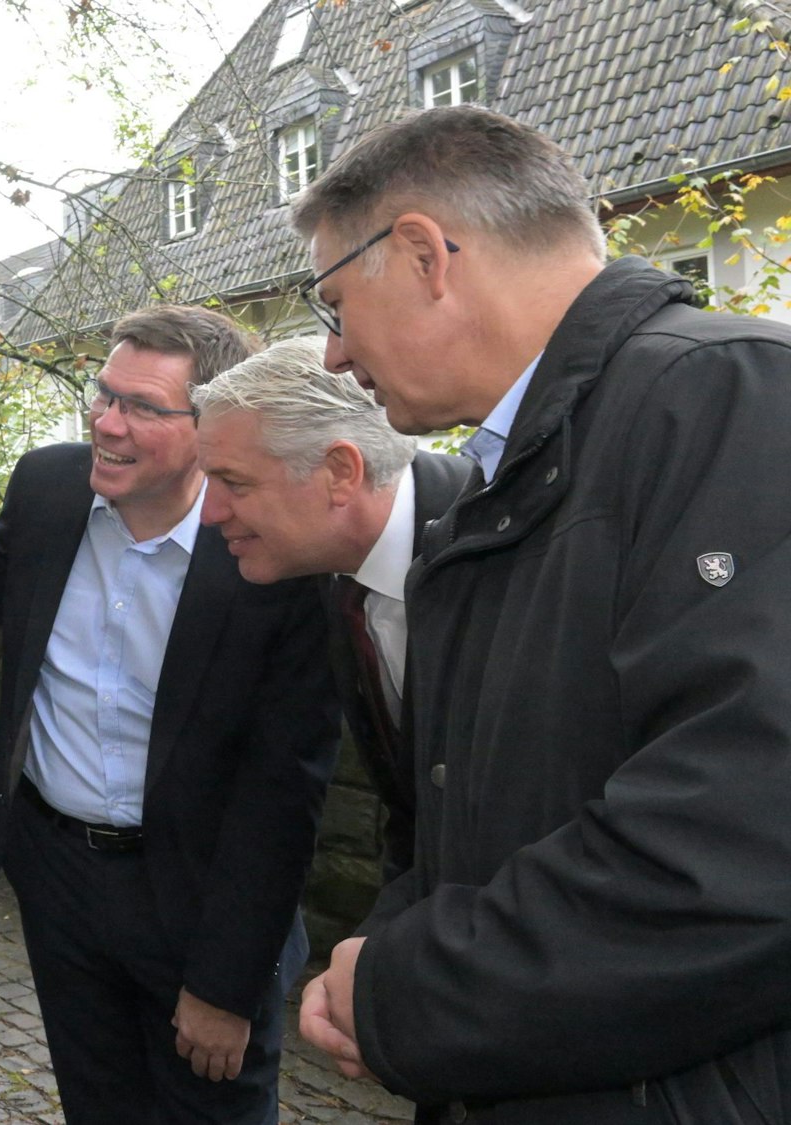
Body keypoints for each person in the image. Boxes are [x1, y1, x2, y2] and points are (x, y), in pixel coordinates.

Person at [293, 104, 791, 1123]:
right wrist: (385, 946)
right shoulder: (507, 480)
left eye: (334, 307)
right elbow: (473, 814)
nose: (333, 357)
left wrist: (403, 988)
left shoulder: (732, 400)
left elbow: (737, 848)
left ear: (425, 255)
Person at [0, 305, 339, 1123]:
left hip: (198, 897)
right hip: (56, 877)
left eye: (141, 407)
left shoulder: (270, 547)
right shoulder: (45, 490)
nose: (107, 422)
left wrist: (224, 986)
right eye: (104, 395)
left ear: (210, 425)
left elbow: (284, 793)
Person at [191, 337, 469, 889]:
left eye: (235, 482)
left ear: (341, 471)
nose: (209, 512)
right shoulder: (323, 566)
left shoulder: (515, 550)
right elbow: (416, 816)